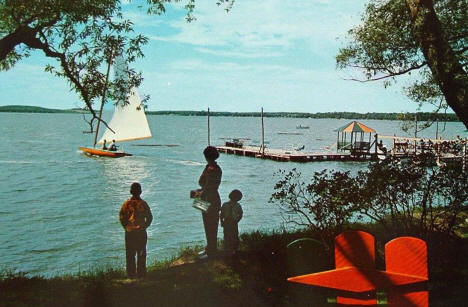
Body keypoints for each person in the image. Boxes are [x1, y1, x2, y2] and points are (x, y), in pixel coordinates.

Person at [119, 182, 153, 278]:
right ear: (140, 192)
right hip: (141, 233)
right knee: (141, 253)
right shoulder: (143, 204)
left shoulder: (126, 204)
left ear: (131, 192)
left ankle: (131, 275)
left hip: (130, 233)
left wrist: (127, 227)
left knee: (130, 255)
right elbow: (150, 217)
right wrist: (144, 227)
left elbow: (122, 218)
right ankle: (141, 274)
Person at [198, 146, 222, 259]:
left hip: (208, 198)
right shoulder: (215, 167)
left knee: (209, 226)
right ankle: (210, 248)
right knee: (210, 225)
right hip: (212, 198)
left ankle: (212, 251)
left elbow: (202, 182)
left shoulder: (210, 169)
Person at [220, 189, 243, 256]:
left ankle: (235, 249)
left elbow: (240, 214)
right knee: (227, 235)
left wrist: (237, 220)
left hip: (233, 222)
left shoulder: (238, 205)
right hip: (227, 221)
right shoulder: (225, 205)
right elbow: (221, 214)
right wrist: (221, 221)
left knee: (235, 235)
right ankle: (227, 249)